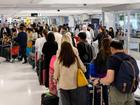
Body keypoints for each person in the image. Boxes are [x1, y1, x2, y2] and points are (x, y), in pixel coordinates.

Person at [93, 40, 138, 105]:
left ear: (112, 48)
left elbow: (109, 79)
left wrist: (98, 81)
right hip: (130, 91)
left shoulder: (112, 59)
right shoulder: (131, 58)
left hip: (117, 92)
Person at [91, 38, 111, 105]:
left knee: (103, 88)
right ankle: (107, 102)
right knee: (107, 89)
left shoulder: (101, 52)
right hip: (109, 74)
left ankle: (101, 101)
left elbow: (97, 63)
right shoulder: (111, 52)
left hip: (102, 74)